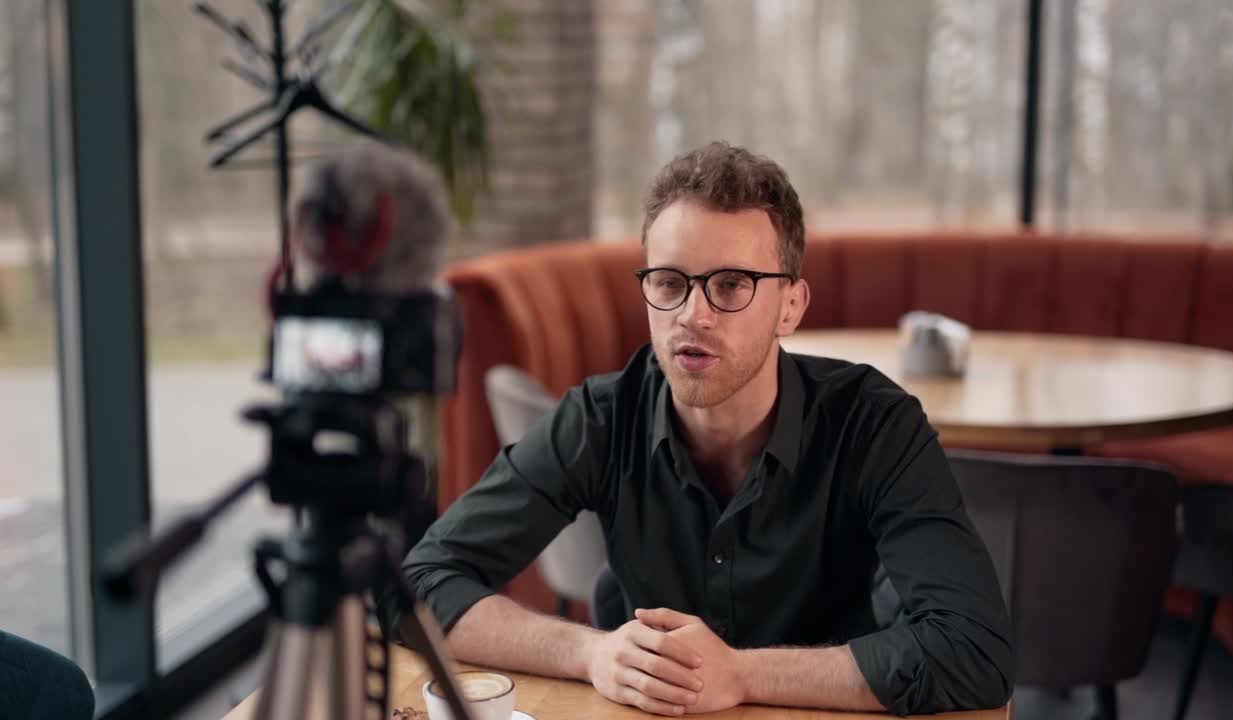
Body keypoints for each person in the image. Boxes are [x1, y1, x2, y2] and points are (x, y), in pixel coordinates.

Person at [401, 141, 1013, 716]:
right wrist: (590, 652)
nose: (693, 315)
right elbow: (418, 584)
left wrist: (741, 674)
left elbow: (974, 649)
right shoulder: (602, 418)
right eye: (669, 283)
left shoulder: (873, 424)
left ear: (791, 306)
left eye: (730, 286)